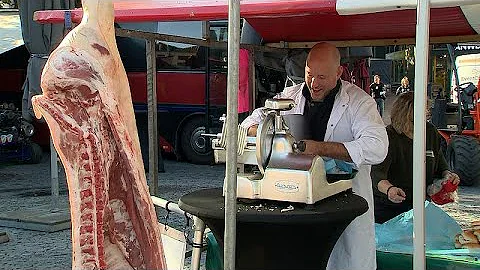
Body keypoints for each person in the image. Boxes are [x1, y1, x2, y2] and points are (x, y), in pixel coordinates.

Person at [240, 42, 388, 270]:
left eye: (322, 77)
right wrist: (260, 130)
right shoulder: (291, 95)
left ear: (339, 73)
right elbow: (255, 119)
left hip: (346, 204)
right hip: (300, 205)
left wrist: (319, 148)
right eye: (309, 75)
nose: (314, 84)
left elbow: (377, 147)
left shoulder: (359, 102)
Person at [371, 91, 460, 224]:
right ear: (403, 115)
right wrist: (389, 189)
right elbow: (376, 173)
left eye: (425, 115)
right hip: (387, 209)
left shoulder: (430, 132)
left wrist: (449, 176)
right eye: (414, 119)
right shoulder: (388, 136)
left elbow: (440, 164)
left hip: (420, 207)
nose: (422, 120)